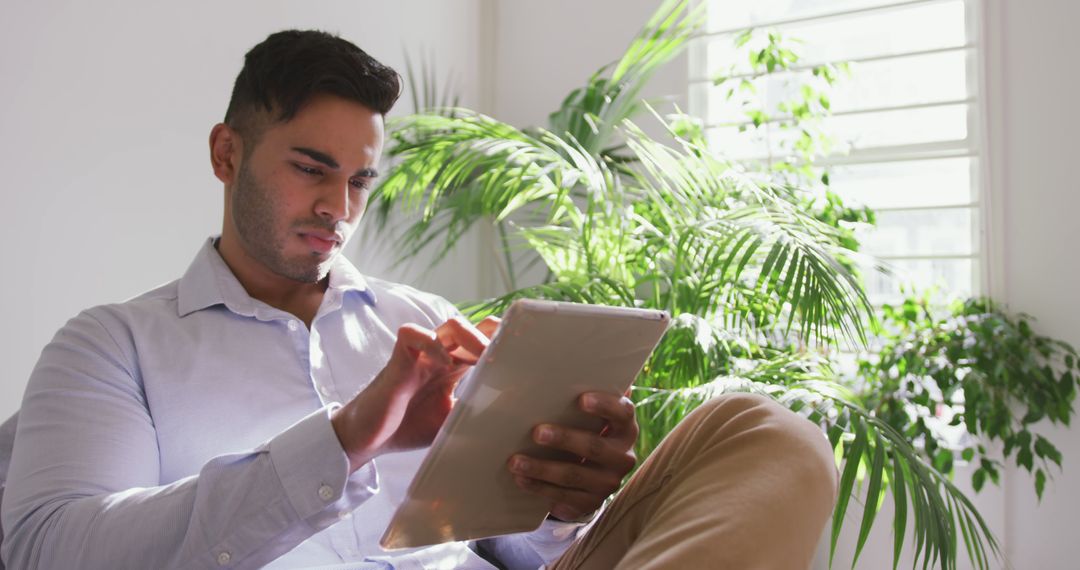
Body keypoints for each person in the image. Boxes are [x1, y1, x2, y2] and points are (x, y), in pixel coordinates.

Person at [0, 30, 837, 570]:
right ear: (227, 153)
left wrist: (554, 496)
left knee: (765, 433)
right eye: (309, 168)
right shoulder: (114, 346)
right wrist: (346, 440)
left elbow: (517, 550)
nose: (341, 207)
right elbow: (49, 549)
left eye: (361, 179)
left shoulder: (423, 321)